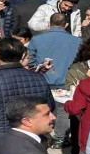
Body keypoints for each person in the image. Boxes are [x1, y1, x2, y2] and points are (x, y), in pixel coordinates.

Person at [28, 13, 82, 147]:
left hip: (43, 80)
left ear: (49, 24)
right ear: (66, 25)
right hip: (66, 81)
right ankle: (60, 138)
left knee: (42, 110)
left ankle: (43, 135)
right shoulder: (77, 41)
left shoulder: (36, 39)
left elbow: (30, 61)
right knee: (63, 111)